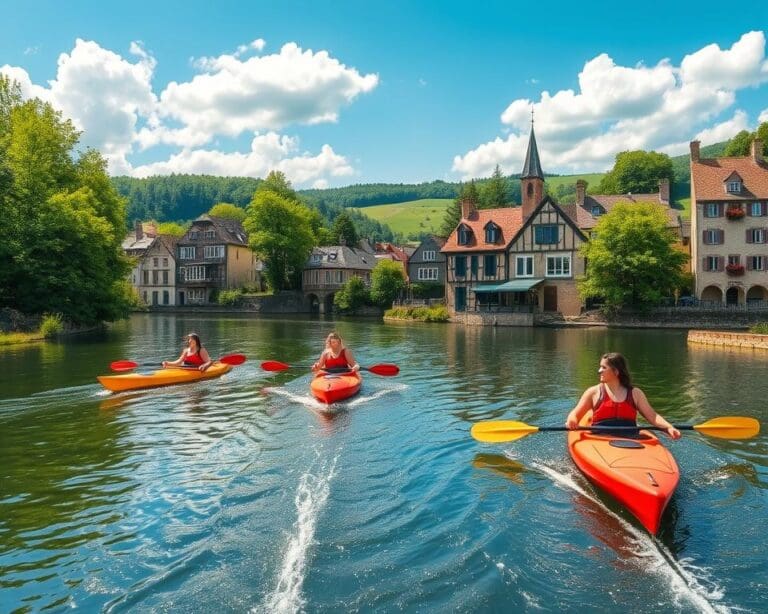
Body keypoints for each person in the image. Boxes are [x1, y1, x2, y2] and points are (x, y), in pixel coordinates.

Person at [565, 352, 681, 439]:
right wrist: (572, 420)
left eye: (604, 368)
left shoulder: (635, 393)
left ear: (616, 372)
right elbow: (575, 414)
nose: (599, 370)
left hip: (630, 439)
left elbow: (653, 416)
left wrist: (669, 427)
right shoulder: (593, 392)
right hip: (600, 438)